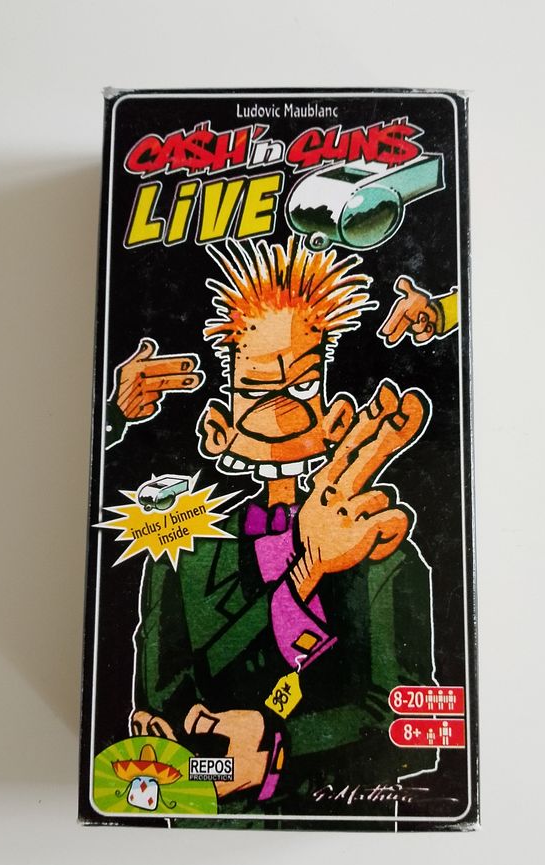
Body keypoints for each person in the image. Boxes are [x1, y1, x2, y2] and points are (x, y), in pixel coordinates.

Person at [109, 238, 440, 817]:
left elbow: (407, 720)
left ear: (337, 418)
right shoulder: (184, 549)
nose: (280, 412)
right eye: (255, 390)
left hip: (339, 817)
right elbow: (160, 692)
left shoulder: (381, 551)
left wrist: (280, 749)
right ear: (219, 427)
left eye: (303, 387)